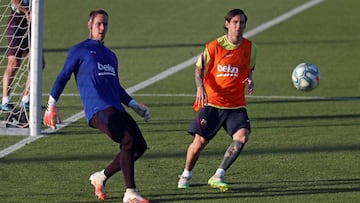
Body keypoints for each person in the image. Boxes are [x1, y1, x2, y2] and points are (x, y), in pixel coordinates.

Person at [43, 9, 151, 203]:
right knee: (127, 140)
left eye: (105, 24)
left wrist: (134, 105)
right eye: (98, 24)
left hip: (116, 107)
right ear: (89, 25)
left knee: (139, 146)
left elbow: (115, 86)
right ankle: (130, 193)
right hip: (97, 109)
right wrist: (51, 104)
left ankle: (101, 177)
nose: (102, 28)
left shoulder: (111, 56)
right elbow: (63, 76)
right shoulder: (80, 49)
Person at [177, 8, 257, 192]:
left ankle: (219, 174)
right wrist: (199, 87)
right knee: (199, 144)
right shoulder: (213, 47)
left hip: (236, 105)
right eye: (235, 22)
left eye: (242, 22)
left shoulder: (251, 48)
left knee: (242, 137)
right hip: (213, 103)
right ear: (227, 24)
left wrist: (250, 78)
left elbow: (249, 67)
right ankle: (186, 174)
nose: (239, 26)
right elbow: (199, 70)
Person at [2, 0, 45, 111]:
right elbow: (14, 0)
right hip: (16, 22)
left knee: (38, 62)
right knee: (14, 63)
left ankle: (26, 99)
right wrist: (26, 11)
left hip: (32, 23)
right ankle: (5, 100)